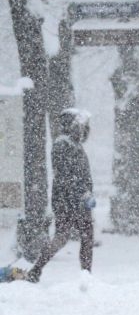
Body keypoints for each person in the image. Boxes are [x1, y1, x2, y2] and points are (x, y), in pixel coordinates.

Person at [25, 108, 95, 283]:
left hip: (74, 200)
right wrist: (82, 194)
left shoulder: (73, 145)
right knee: (71, 236)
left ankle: (38, 270)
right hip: (69, 201)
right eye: (81, 125)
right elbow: (66, 176)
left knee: (75, 236)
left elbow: (78, 175)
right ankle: (84, 275)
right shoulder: (63, 145)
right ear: (71, 125)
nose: (84, 130)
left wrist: (86, 192)